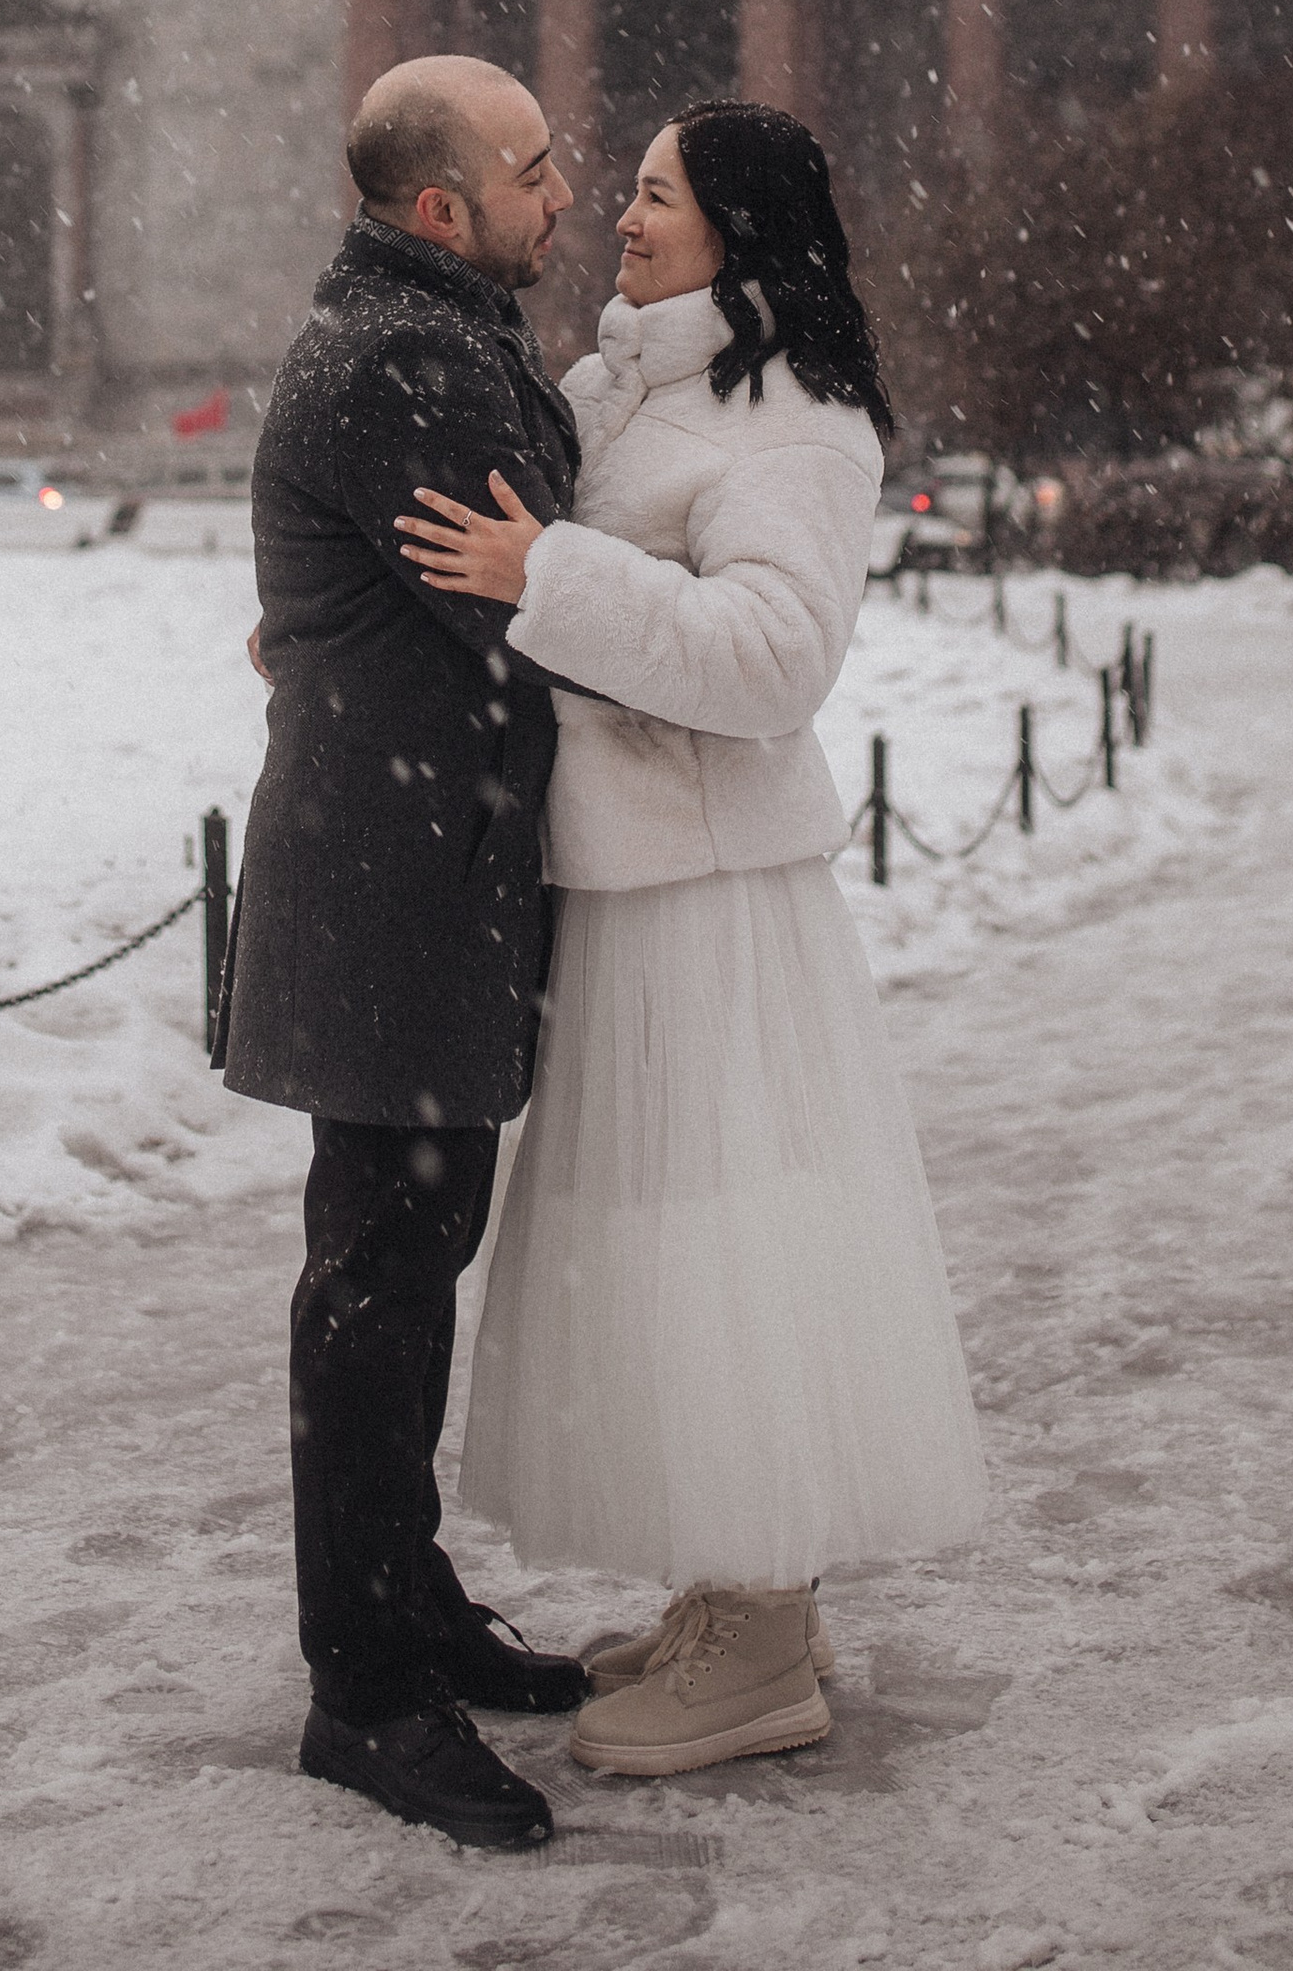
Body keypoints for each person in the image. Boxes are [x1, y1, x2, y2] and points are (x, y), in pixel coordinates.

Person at [400, 99, 988, 1779]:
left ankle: (765, 1640)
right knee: (669, 1249)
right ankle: (729, 1588)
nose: (620, 215)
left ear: (735, 225)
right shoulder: (640, 381)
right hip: (633, 880)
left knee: (728, 1251)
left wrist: (554, 575)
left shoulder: (795, 414)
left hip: (711, 901)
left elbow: (774, 660)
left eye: (656, 194)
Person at [216, 54, 595, 1854]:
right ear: (443, 208)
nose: (564, 193)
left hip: (411, 878)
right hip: (391, 892)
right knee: (374, 1291)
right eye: (534, 169)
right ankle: (365, 1692)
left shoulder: (423, 338)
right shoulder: (405, 365)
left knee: (402, 1270)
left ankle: (409, 1604)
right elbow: (542, 596)